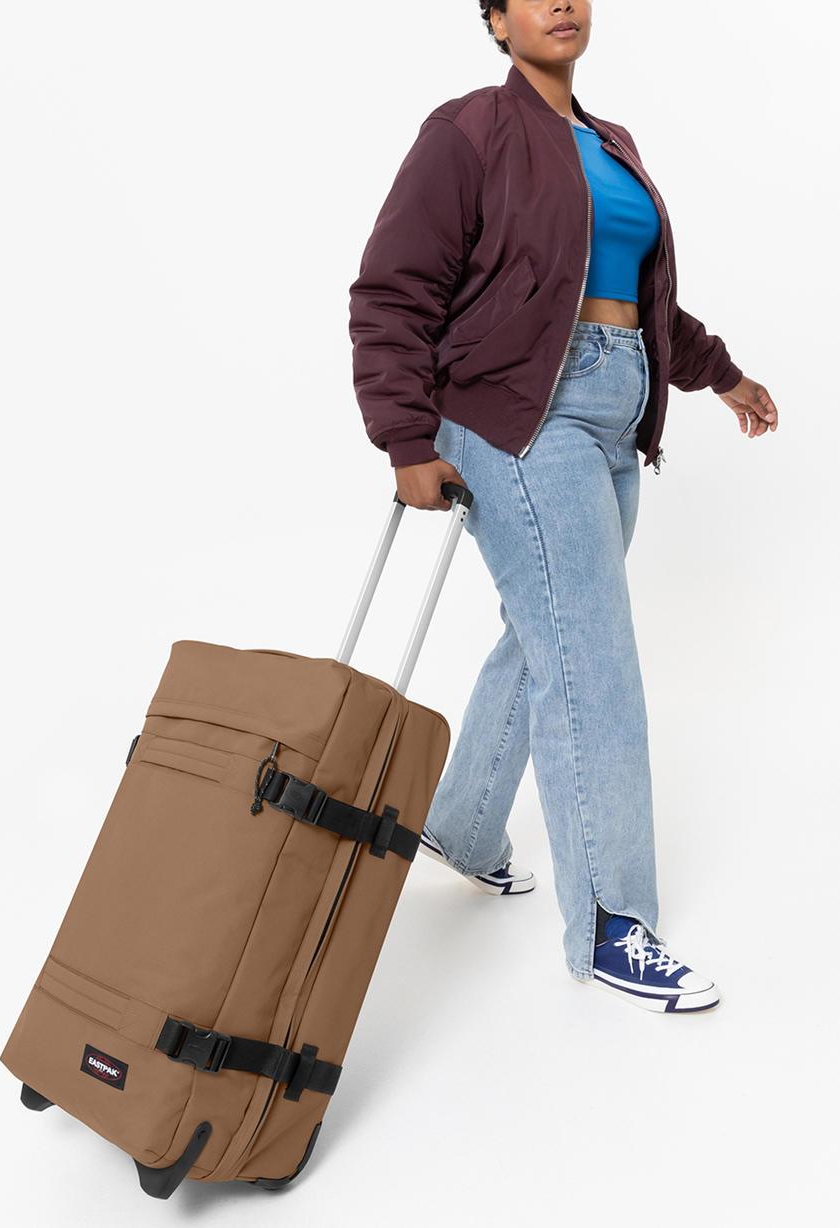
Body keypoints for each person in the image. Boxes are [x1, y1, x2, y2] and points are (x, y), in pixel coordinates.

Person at [347, 1, 777, 1013]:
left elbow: (646, 299)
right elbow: (392, 291)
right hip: (517, 414)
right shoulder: (467, 131)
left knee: (544, 630)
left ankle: (461, 824)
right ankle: (612, 921)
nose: (563, 2)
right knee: (591, 655)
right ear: (496, 21)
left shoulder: (609, 141)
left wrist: (721, 376)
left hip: (615, 409)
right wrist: (404, 437)